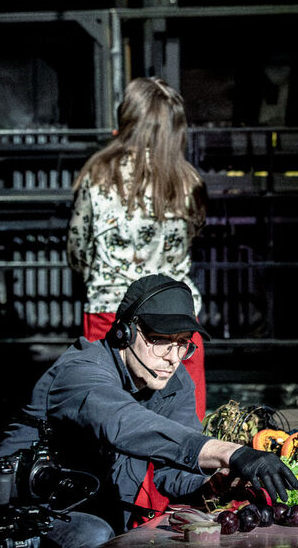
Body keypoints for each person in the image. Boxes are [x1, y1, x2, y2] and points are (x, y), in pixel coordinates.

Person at [0, 274, 298, 547]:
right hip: (32, 510)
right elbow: (124, 423)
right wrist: (231, 452)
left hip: (105, 511)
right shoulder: (80, 371)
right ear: (123, 333)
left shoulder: (175, 381)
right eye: (160, 341)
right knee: (95, 534)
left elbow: (171, 473)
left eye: (182, 343)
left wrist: (214, 482)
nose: (173, 357)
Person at [67, 76, 210, 420]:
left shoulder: (98, 174)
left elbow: (78, 249)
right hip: (177, 318)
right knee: (182, 428)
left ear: (128, 119)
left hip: (111, 312)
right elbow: (192, 238)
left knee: (110, 421)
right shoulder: (189, 181)